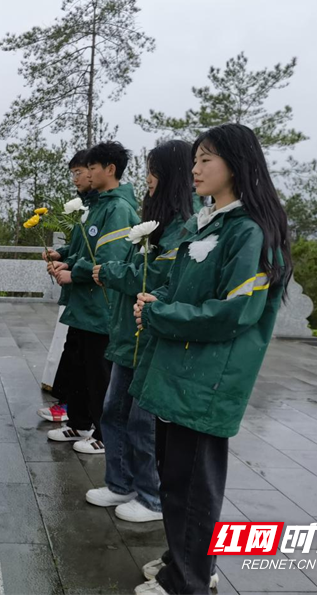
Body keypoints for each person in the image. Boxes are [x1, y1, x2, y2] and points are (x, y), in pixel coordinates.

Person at [131, 124, 293, 595]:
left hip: (207, 380)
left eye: (206, 159)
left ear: (236, 165)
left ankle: (189, 581)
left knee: (192, 486)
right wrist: (156, 299)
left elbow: (235, 311)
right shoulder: (209, 223)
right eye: (195, 160)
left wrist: (161, 314)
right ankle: (183, 561)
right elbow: (184, 288)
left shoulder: (249, 231)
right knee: (176, 479)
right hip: (181, 372)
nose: (195, 169)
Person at [87, 140, 193, 522]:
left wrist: (109, 272)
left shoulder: (183, 227)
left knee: (141, 422)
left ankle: (151, 497)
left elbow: (158, 276)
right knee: (113, 412)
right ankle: (121, 483)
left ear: (170, 175)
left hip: (148, 336)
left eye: (153, 170)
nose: (148, 178)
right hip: (127, 333)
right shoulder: (156, 220)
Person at [47, 141, 140, 454]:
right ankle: (79, 422)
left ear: (109, 170)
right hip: (84, 304)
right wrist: (66, 261)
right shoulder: (99, 206)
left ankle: (103, 433)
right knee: (79, 367)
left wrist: (74, 273)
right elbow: (84, 251)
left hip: (101, 306)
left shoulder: (119, 209)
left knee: (99, 372)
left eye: (91, 168)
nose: (85, 174)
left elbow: (110, 259)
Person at [37, 149, 96, 423]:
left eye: (80, 172)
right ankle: (71, 411)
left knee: (84, 360)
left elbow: (102, 257)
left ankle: (82, 418)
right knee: (73, 352)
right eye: (73, 173)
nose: (76, 178)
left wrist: (71, 268)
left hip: (91, 298)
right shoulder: (89, 207)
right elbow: (81, 247)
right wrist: (62, 255)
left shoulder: (113, 209)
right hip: (79, 295)